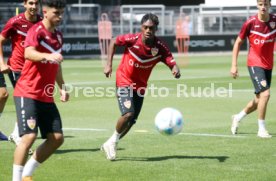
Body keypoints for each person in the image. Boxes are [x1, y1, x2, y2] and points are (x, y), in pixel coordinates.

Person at [101, 13, 181, 161]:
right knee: (128, 114)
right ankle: (112, 142)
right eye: (145, 27)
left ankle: (111, 142)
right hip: (124, 79)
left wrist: (175, 69)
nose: (148, 30)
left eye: (151, 28)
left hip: (140, 86)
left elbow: (171, 61)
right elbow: (113, 41)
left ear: (156, 28)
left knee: (131, 122)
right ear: (141, 27)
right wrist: (108, 64)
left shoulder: (160, 47)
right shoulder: (132, 40)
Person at [12, 0, 68, 180]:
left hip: (46, 96)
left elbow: (57, 65)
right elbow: (29, 53)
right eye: (56, 13)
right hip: (27, 91)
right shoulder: (36, 30)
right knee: (29, 137)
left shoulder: (58, 36)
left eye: (61, 13)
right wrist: (48, 55)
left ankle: (26, 175)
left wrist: (63, 87)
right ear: (45, 12)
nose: (59, 17)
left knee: (57, 138)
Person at [230, 0, 275, 138]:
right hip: (254, 63)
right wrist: (234, 65)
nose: (263, 7)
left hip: (268, 64)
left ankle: (237, 117)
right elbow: (238, 43)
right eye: (261, 4)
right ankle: (261, 129)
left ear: (270, 5)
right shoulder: (250, 23)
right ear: (257, 5)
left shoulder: (274, 21)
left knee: (259, 100)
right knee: (266, 95)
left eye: (266, 4)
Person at [0, 0, 42, 146]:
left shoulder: (42, 22)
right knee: (25, 98)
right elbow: (0, 40)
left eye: (36, 3)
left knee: (31, 98)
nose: (34, 6)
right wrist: (1, 63)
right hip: (16, 68)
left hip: (33, 69)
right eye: (30, 3)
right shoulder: (15, 22)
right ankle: (17, 134)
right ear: (24, 4)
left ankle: (17, 132)